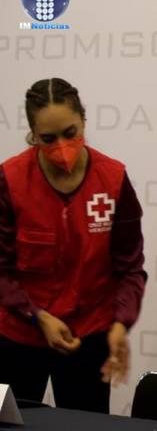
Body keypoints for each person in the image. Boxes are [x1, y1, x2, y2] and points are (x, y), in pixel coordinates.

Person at [0, 78, 147, 413]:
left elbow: (130, 267)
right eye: (48, 139)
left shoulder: (113, 179)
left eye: (70, 133)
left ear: (84, 120)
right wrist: (37, 316)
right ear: (33, 135)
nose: (62, 147)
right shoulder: (10, 180)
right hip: (19, 336)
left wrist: (121, 323)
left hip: (89, 336)